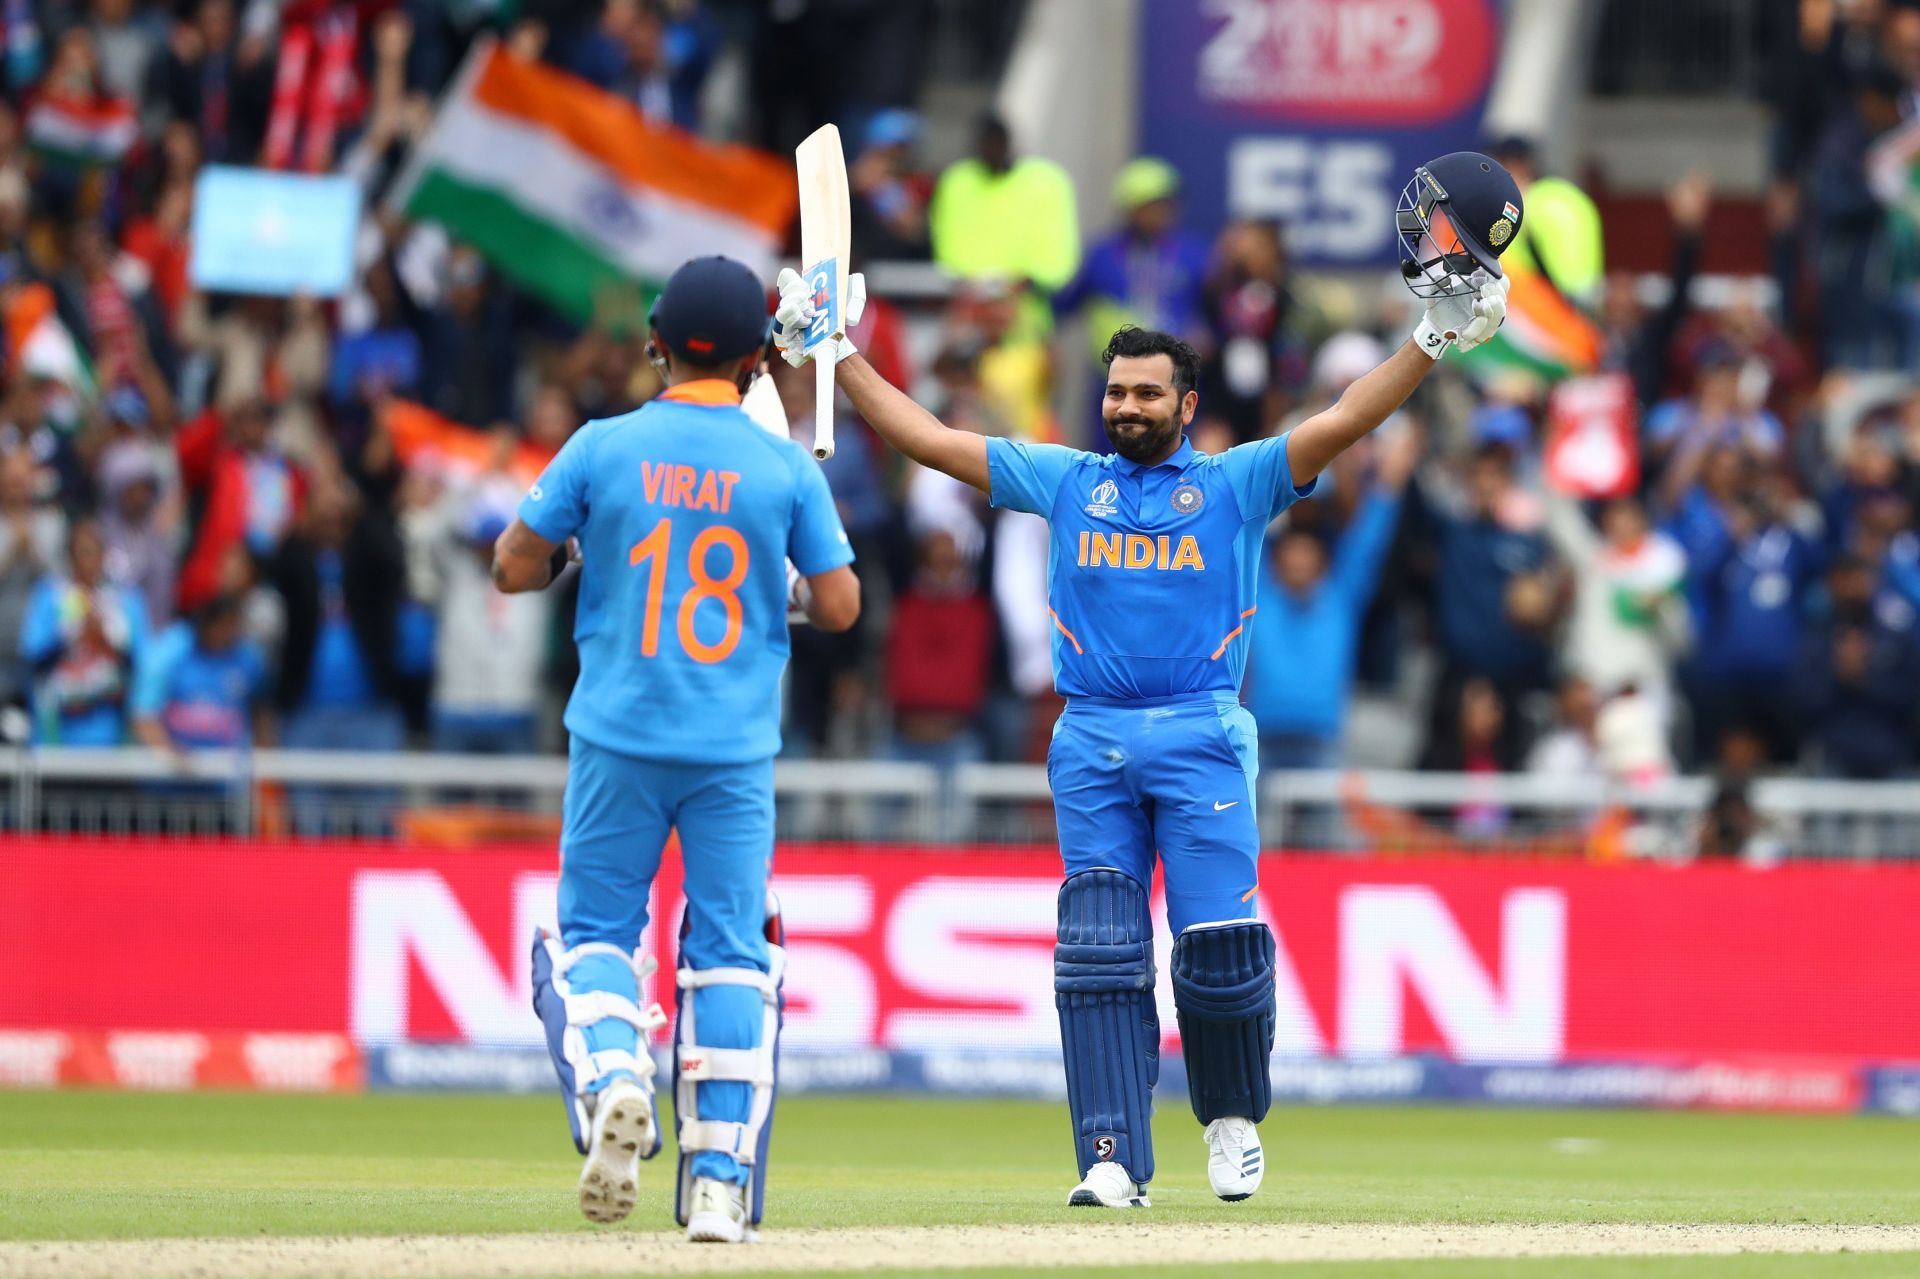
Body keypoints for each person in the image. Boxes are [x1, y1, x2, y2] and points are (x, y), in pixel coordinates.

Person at [775, 152, 1518, 1211]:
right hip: (1090, 737)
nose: (1126, 405)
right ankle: (1112, 1156)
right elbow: (930, 439)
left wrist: (1430, 340)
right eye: (1116, 390)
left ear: (1185, 401)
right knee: (1099, 953)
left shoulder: (1234, 481)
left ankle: (1228, 1120)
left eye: (1146, 392)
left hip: (1204, 732)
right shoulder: (1067, 479)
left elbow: (1347, 418)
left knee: (1215, 950)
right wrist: (835, 352)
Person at [492, 256, 859, 1243]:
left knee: (601, 936)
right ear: (754, 357)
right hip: (732, 747)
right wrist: (773, 592)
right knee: (732, 958)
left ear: (655, 340)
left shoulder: (602, 445)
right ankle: (717, 1188)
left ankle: (615, 1074)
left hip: (616, 735)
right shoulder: (782, 468)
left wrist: (577, 550)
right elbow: (841, 604)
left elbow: (511, 564)